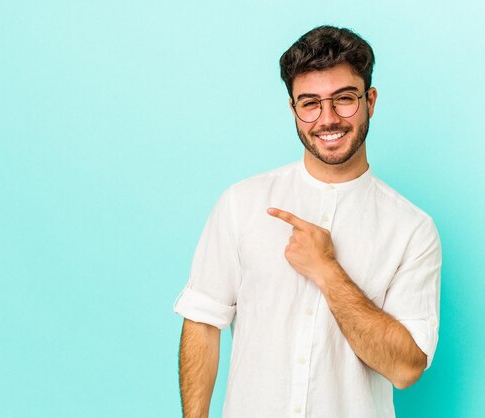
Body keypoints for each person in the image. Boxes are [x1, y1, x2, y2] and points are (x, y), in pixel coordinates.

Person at [173, 25, 441, 418]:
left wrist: (327, 271)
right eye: (310, 103)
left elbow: (404, 368)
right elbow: (203, 321)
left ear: (370, 100)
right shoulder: (241, 204)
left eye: (344, 99)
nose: (327, 118)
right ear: (293, 110)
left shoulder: (411, 229)